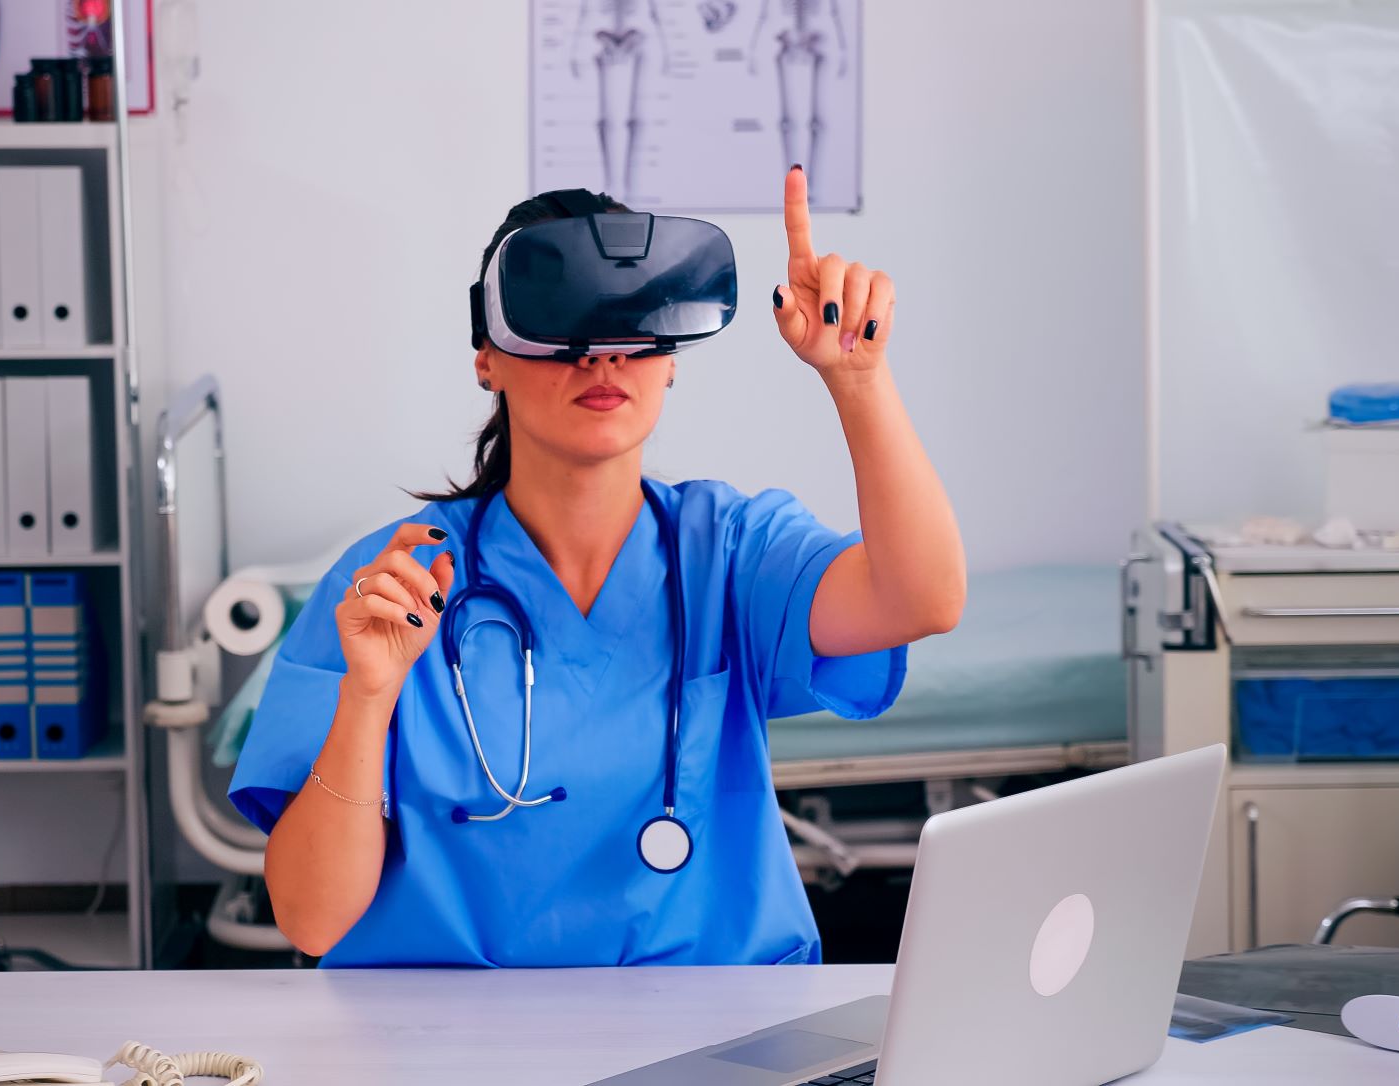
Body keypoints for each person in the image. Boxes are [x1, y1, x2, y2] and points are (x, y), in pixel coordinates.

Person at [228, 168, 965, 966]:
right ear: (489, 358)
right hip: (446, 1042)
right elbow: (311, 919)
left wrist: (857, 379)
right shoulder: (393, 586)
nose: (602, 358)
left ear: (672, 356)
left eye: (632, 323)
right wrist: (369, 698)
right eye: (561, 323)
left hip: (718, 1032)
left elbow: (921, 597)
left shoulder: (731, 552)